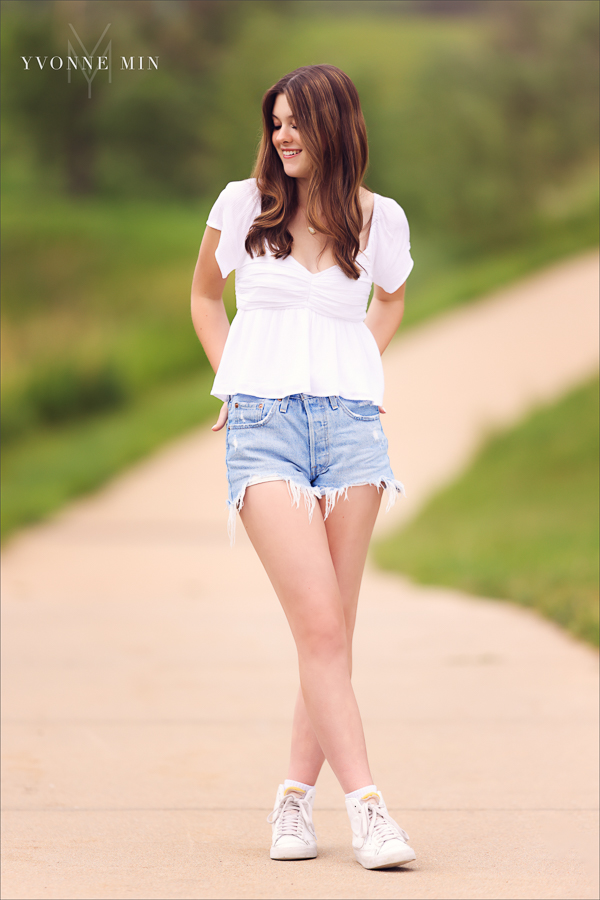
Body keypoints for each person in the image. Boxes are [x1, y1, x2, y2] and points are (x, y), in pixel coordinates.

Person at [191, 64, 415, 870]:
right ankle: (369, 812)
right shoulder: (242, 204)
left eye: (295, 121)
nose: (282, 135)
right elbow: (204, 299)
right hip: (265, 428)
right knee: (319, 624)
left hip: (354, 431)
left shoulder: (378, 219)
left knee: (333, 636)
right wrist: (231, 380)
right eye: (275, 121)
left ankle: (293, 800)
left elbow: (389, 299)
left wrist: (365, 367)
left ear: (334, 126)